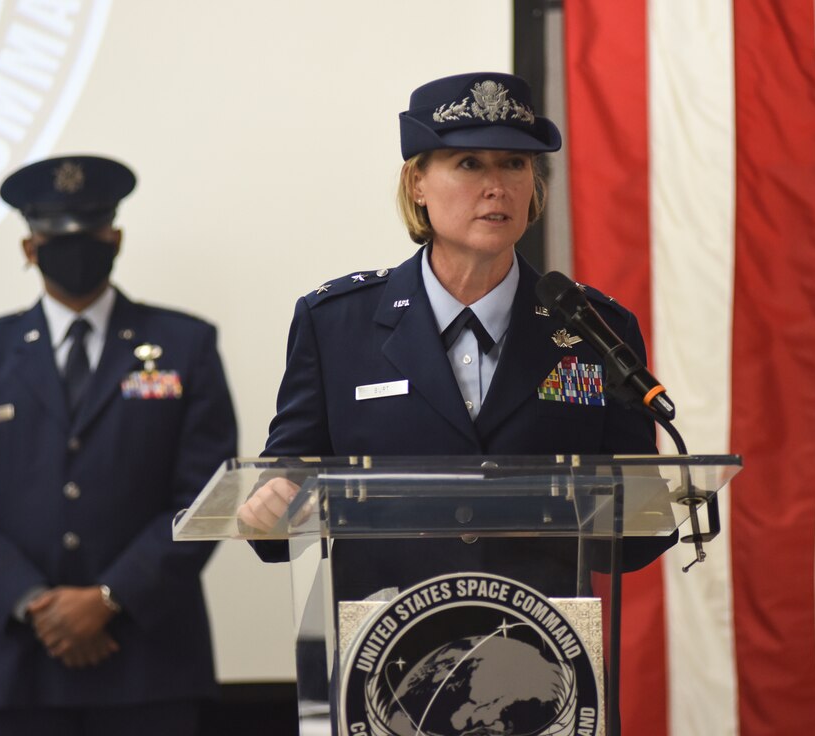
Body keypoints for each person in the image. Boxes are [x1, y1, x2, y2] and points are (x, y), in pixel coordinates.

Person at [237, 72, 675, 599]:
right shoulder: (335, 325)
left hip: (537, 639)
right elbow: (279, 497)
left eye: (514, 164)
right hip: (389, 636)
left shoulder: (592, 328)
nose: (497, 186)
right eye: (469, 163)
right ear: (417, 184)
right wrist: (273, 502)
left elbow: (639, 535)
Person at [0, 155, 237, 736]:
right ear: (29, 249)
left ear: (115, 239)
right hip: (18, 668)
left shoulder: (185, 344)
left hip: (150, 665)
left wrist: (110, 597)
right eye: (58, 239)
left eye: (90, 235)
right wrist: (34, 602)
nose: (77, 249)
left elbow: (207, 498)